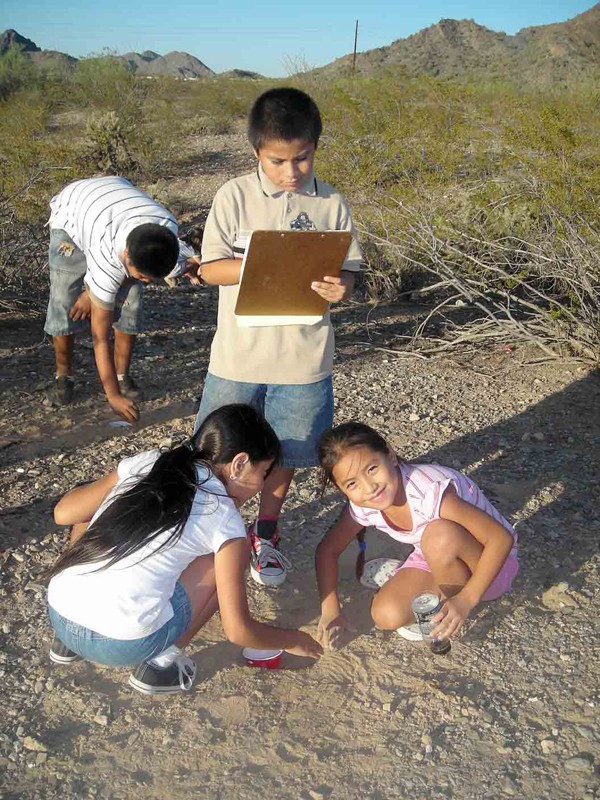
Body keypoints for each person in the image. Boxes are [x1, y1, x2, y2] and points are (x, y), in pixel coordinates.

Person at [195, 87, 363, 587]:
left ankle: (264, 533)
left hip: (303, 360)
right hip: (237, 358)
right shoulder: (233, 196)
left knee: (288, 454)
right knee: (214, 453)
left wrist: (342, 288)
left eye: (303, 158)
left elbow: (349, 272)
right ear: (256, 153)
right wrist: (262, 262)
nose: (292, 172)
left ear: (315, 147)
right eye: (278, 161)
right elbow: (207, 269)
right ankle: (209, 532)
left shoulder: (332, 201)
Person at [46, 404, 323, 696]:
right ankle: (161, 666)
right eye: (263, 472)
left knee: (92, 513)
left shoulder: (150, 462)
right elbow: (238, 630)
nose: (260, 484)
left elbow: (64, 513)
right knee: (221, 562)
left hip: (59, 614)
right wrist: (292, 639)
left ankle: (68, 640)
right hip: (120, 644)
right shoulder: (224, 517)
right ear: (239, 464)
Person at [315, 422, 519, 649]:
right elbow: (328, 550)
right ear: (342, 490)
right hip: (433, 552)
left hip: (492, 565)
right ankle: (419, 580)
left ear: (390, 456)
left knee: (438, 535)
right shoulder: (364, 505)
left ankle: (453, 605)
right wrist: (330, 609)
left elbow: (501, 539)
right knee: (385, 615)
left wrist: (466, 600)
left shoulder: (429, 492)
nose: (369, 487)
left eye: (372, 469)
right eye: (352, 483)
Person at [43, 175, 199, 421]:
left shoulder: (166, 227)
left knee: (131, 302)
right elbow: (99, 337)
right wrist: (112, 396)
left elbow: (179, 257)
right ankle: (64, 376)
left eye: (152, 278)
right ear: (126, 254)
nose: (146, 281)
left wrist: (189, 267)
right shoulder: (108, 257)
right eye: (141, 275)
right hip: (74, 211)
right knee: (65, 299)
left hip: (117, 204)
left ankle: (121, 375)